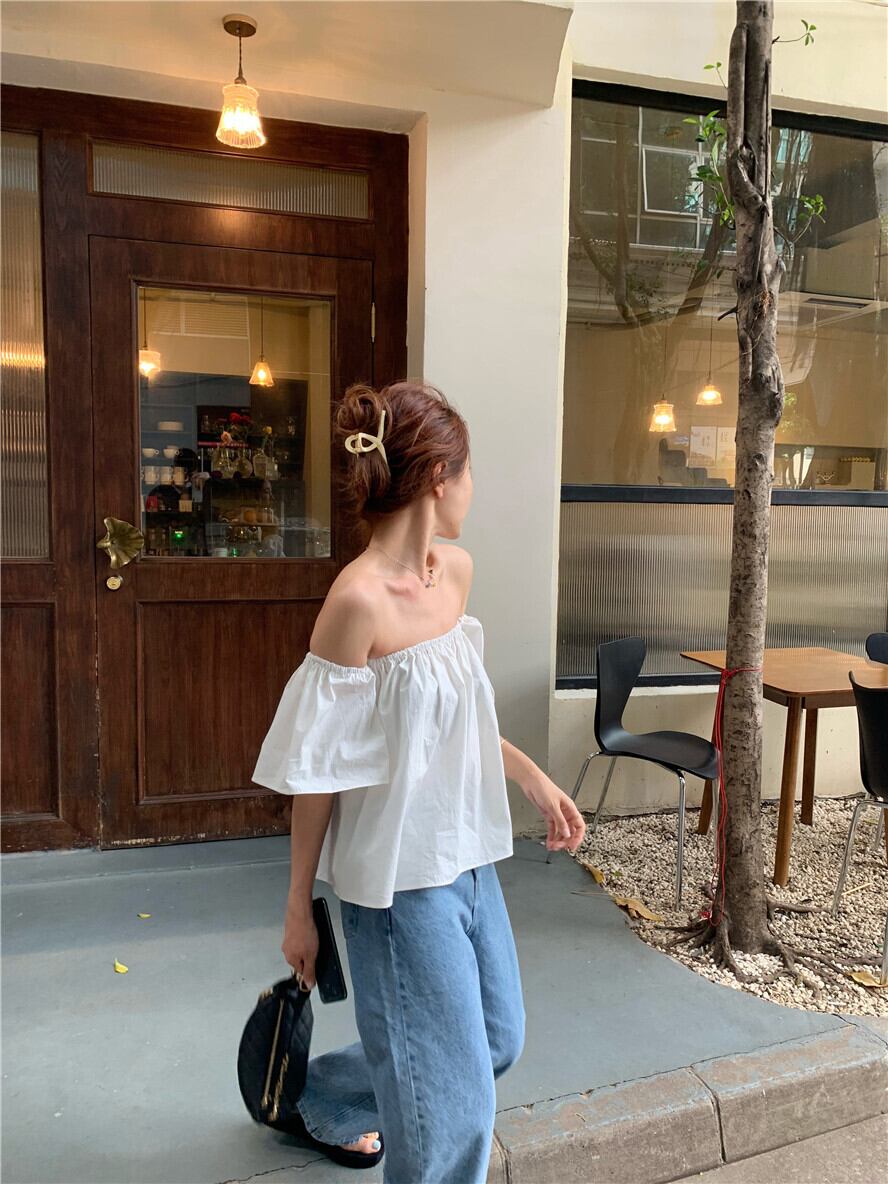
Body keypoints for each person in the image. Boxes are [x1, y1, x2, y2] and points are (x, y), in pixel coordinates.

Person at [251, 380, 586, 1183]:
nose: (474, 488)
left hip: (467, 857)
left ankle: (317, 1096)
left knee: (495, 1040)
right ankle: (384, 1099)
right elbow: (318, 773)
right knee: (454, 1112)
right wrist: (298, 909)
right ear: (440, 476)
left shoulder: (454, 575)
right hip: (397, 888)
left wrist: (532, 777)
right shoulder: (356, 604)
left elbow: (449, 724)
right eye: (470, 471)